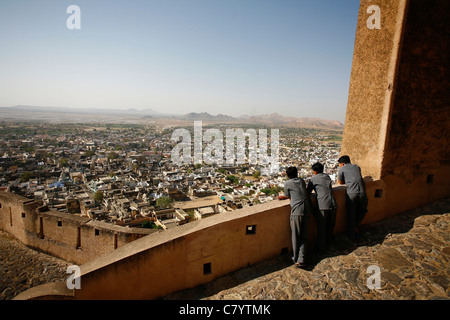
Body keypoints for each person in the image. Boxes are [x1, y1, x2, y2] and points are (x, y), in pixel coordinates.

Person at [278, 166, 313, 268]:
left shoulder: (287, 183)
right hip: (307, 209)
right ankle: (302, 258)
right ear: (297, 173)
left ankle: (296, 257)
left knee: (296, 235)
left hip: (297, 211)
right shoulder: (301, 181)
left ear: (288, 175)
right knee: (304, 235)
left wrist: (281, 197)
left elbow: (288, 195)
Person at [307, 162, 338, 252]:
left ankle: (321, 248)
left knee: (321, 228)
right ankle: (330, 244)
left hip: (323, 205)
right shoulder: (327, 177)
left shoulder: (313, 179)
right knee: (330, 226)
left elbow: (308, 192)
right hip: (333, 204)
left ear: (315, 171)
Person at [337, 155, 368, 242]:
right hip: (362, 192)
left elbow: (340, 182)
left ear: (342, 163)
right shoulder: (357, 167)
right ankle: (355, 227)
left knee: (351, 214)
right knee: (363, 210)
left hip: (351, 193)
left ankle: (352, 234)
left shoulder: (342, 169)